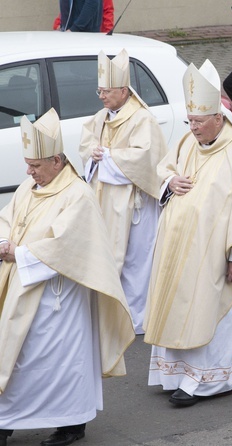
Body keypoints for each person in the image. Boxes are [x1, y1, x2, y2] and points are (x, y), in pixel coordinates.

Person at [143, 60, 232, 407]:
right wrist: (169, 182)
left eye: (199, 122)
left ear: (219, 118)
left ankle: (210, 380)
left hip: (218, 255)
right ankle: (177, 373)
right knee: (181, 307)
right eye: (189, 121)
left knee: (215, 313)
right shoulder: (188, 143)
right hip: (179, 252)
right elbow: (163, 171)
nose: (193, 129)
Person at [0, 109, 134, 446]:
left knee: (53, 362)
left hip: (58, 300)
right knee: (18, 358)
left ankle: (71, 422)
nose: (29, 172)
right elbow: (7, 218)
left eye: (36, 165)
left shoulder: (78, 195)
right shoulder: (31, 187)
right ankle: (6, 420)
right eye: (28, 164)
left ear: (57, 161)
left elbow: (69, 245)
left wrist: (20, 254)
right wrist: (4, 242)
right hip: (23, 287)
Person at [79, 50, 168, 334]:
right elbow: (86, 146)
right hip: (106, 201)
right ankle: (113, 316)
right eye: (99, 91)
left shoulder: (143, 120)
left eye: (105, 91)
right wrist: (92, 154)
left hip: (135, 205)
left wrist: (107, 156)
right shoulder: (100, 117)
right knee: (109, 257)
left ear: (122, 90)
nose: (101, 97)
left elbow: (147, 159)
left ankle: (137, 320)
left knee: (135, 263)